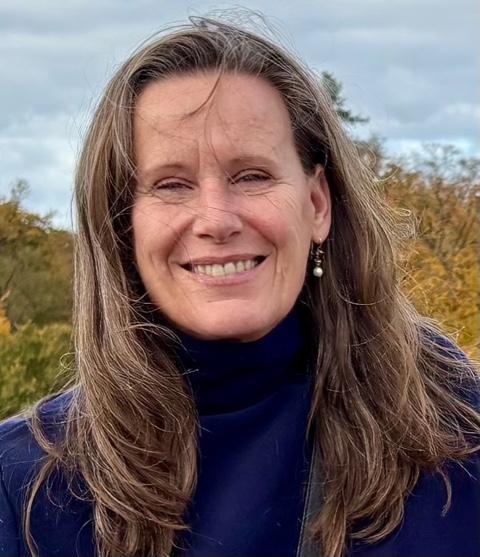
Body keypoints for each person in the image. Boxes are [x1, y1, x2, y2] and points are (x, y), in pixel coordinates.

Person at [1, 14, 479, 557]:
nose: (216, 219)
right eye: (171, 185)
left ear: (317, 203)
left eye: (252, 176)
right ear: (121, 225)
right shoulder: (27, 488)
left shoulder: (456, 429)